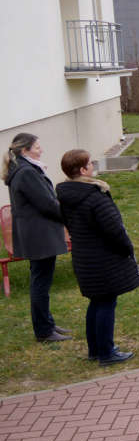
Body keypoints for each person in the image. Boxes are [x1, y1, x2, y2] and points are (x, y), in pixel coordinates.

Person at [56, 149, 139, 365]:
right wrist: (127, 249)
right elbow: (114, 230)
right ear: (83, 170)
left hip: (84, 257)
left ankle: (96, 349)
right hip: (103, 260)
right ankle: (106, 353)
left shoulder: (66, 196)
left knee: (96, 302)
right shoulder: (95, 197)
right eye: (90, 163)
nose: (93, 166)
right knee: (106, 303)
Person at [2, 133, 71, 342]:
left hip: (35, 232)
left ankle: (46, 324)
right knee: (41, 282)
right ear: (25, 150)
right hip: (39, 234)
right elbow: (47, 203)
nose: (41, 149)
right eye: (37, 146)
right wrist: (69, 216)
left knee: (40, 280)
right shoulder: (26, 172)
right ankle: (44, 331)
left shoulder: (23, 169)